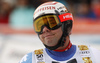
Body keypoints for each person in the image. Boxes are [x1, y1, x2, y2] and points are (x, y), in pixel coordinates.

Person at [19, 1, 100, 63]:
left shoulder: (94, 55)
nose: (44, 29)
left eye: (51, 23)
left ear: (67, 26)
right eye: (39, 26)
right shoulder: (30, 60)